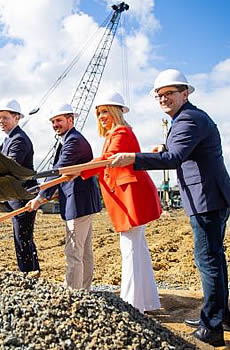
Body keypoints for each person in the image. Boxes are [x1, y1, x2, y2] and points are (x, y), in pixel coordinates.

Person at [109, 69, 230, 347]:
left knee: (208, 261)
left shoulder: (188, 118)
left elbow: (175, 157)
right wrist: (161, 146)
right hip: (211, 197)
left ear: (185, 93)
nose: (164, 98)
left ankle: (212, 328)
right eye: (159, 95)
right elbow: (180, 150)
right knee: (215, 258)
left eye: (169, 93)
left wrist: (133, 157)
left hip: (207, 199)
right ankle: (219, 314)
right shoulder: (186, 118)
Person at [78, 91, 161, 313]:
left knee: (130, 249)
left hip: (130, 198)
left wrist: (78, 170)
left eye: (105, 111)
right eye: (99, 113)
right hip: (129, 197)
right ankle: (147, 301)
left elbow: (108, 160)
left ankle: (133, 305)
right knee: (138, 249)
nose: (101, 116)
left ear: (116, 111)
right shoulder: (114, 134)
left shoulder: (121, 132)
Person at [26, 103, 102, 290]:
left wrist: (40, 197)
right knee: (84, 252)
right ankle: (84, 290)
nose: (55, 124)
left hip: (78, 202)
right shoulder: (69, 139)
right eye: (53, 121)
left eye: (59, 120)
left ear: (71, 120)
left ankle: (73, 293)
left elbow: (58, 172)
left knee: (74, 252)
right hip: (82, 201)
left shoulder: (73, 141)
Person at [0, 99, 40, 273]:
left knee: (23, 238)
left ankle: (29, 273)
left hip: (24, 195)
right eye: (0, 118)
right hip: (17, 195)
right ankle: (29, 272)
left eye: (5, 117)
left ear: (16, 118)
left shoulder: (19, 140)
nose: (1, 121)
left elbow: (9, 167)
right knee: (22, 238)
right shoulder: (8, 139)